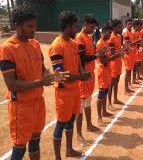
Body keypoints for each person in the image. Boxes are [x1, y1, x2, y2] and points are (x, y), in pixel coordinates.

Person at [0, 4, 55, 160]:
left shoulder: (35, 44)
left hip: (38, 101)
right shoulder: (7, 49)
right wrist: (40, 82)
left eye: (35, 25)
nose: (34, 29)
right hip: (21, 106)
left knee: (35, 139)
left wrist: (49, 75)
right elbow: (11, 84)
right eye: (29, 26)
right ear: (17, 26)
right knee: (19, 147)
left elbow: (42, 68)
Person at [49, 11, 92, 159]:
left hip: (74, 91)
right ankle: (57, 157)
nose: (76, 29)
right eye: (74, 26)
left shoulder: (73, 44)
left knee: (71, 119)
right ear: (67, 27)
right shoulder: (56, 46)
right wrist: (81, 76)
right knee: (61, 123)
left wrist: (83, 73)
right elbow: (59, 75)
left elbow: (79, 63)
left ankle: (68, 149)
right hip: (63, 92)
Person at [75, 15, 103, 147]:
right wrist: (96, 55)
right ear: (85, 24)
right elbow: (82, 58)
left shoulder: (89, 37)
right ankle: (79, 134)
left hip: (90, 75)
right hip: (83, 76)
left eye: (94, 27)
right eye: (91, 27)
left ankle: (89, 125)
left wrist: (98, 53)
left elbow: (90, 56)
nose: (93, 29)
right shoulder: (80, 38)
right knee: (80, 106)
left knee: (87, 102)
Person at [96, 24, 122, 126]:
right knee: (101, 93)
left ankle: (104, 111)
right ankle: (99, 117)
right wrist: (114, 56)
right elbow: (102, 60)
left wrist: (115, 54)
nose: (110, 35)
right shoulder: (99, 44)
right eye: (109, 33)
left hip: (107, 70)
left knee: (106, 91)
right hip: (102, 71)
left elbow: (108, 55)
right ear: (104, 32)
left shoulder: (105, 43)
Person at [108, 19, 124, 111]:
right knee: (112, 83)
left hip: (118, 62)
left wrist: (122, 50)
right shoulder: (111, 37)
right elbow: (112, 52)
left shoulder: (119, 36)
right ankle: (109, 102)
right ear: (114, 27)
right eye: (119, 27)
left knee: (117, 81)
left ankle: (115, 99)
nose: (120, 28)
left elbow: (119, 48)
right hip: (113, 63)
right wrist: (120, 52)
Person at [122, 19, 135, 93]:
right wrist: (135, 42)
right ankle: (126, 88)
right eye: (129, 24)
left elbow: (131, 43)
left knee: (129, 71)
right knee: (127, 72)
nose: (130, 25)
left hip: (131, 54)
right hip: (128, 55)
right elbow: (127, 44)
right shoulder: (126, 32)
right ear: (126, 25)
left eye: (131, 24)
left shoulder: (131, 32)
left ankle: (128, 86)